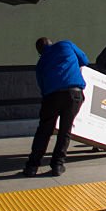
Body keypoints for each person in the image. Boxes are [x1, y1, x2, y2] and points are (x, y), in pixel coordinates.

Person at [23, 37, 88, 177]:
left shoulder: (40, 63)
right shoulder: (66, 45)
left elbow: (42, 87)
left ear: (39, 52)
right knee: (65, 130)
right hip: (74, 93)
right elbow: (84, 59)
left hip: (51, 97)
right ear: (51, 43)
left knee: (44, 130)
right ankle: (57, 165)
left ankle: (32, 166)